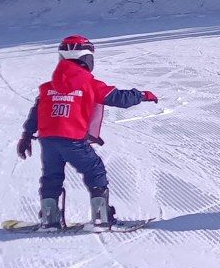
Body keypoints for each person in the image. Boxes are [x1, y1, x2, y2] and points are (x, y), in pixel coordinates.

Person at [16, 35, 158, 230]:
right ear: (87, 58)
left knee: (51, 176)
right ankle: (101, 218)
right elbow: (119, 98)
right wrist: (142, 95)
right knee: (95, 170)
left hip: (48, 141)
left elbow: (36, 113)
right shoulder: (90, 84)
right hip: (73, 140)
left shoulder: (48, 88)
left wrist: (26, 135)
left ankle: (50, 218)